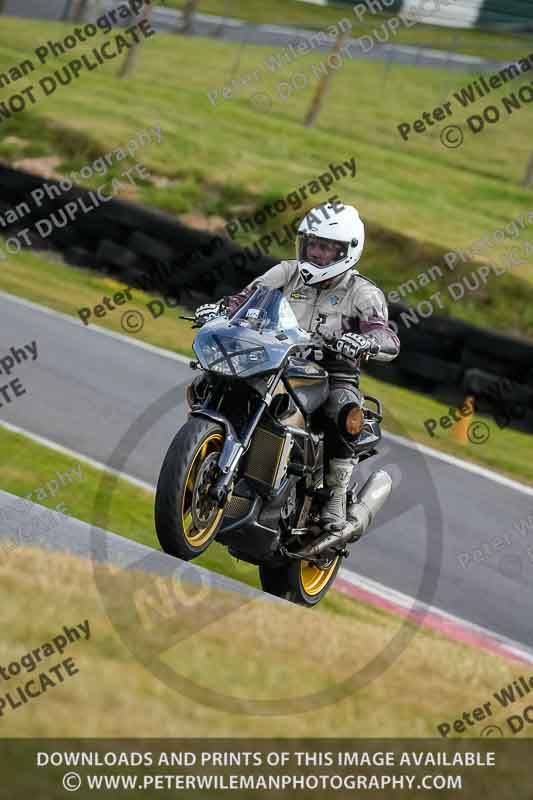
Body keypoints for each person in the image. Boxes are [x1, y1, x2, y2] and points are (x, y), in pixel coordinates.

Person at [194, 201, 400, 534]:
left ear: (347, 251)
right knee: (214, 378)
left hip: (332, 370)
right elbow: (244, 300)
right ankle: (211, 448)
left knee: (343, 408)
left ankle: (335, 493)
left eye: (326, 248)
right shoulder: (286, 273)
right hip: (276, 357)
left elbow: (386, 336)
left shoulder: (363, 293)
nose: (317, 254)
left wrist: (365, 342)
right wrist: (218, 310)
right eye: (313, 244)